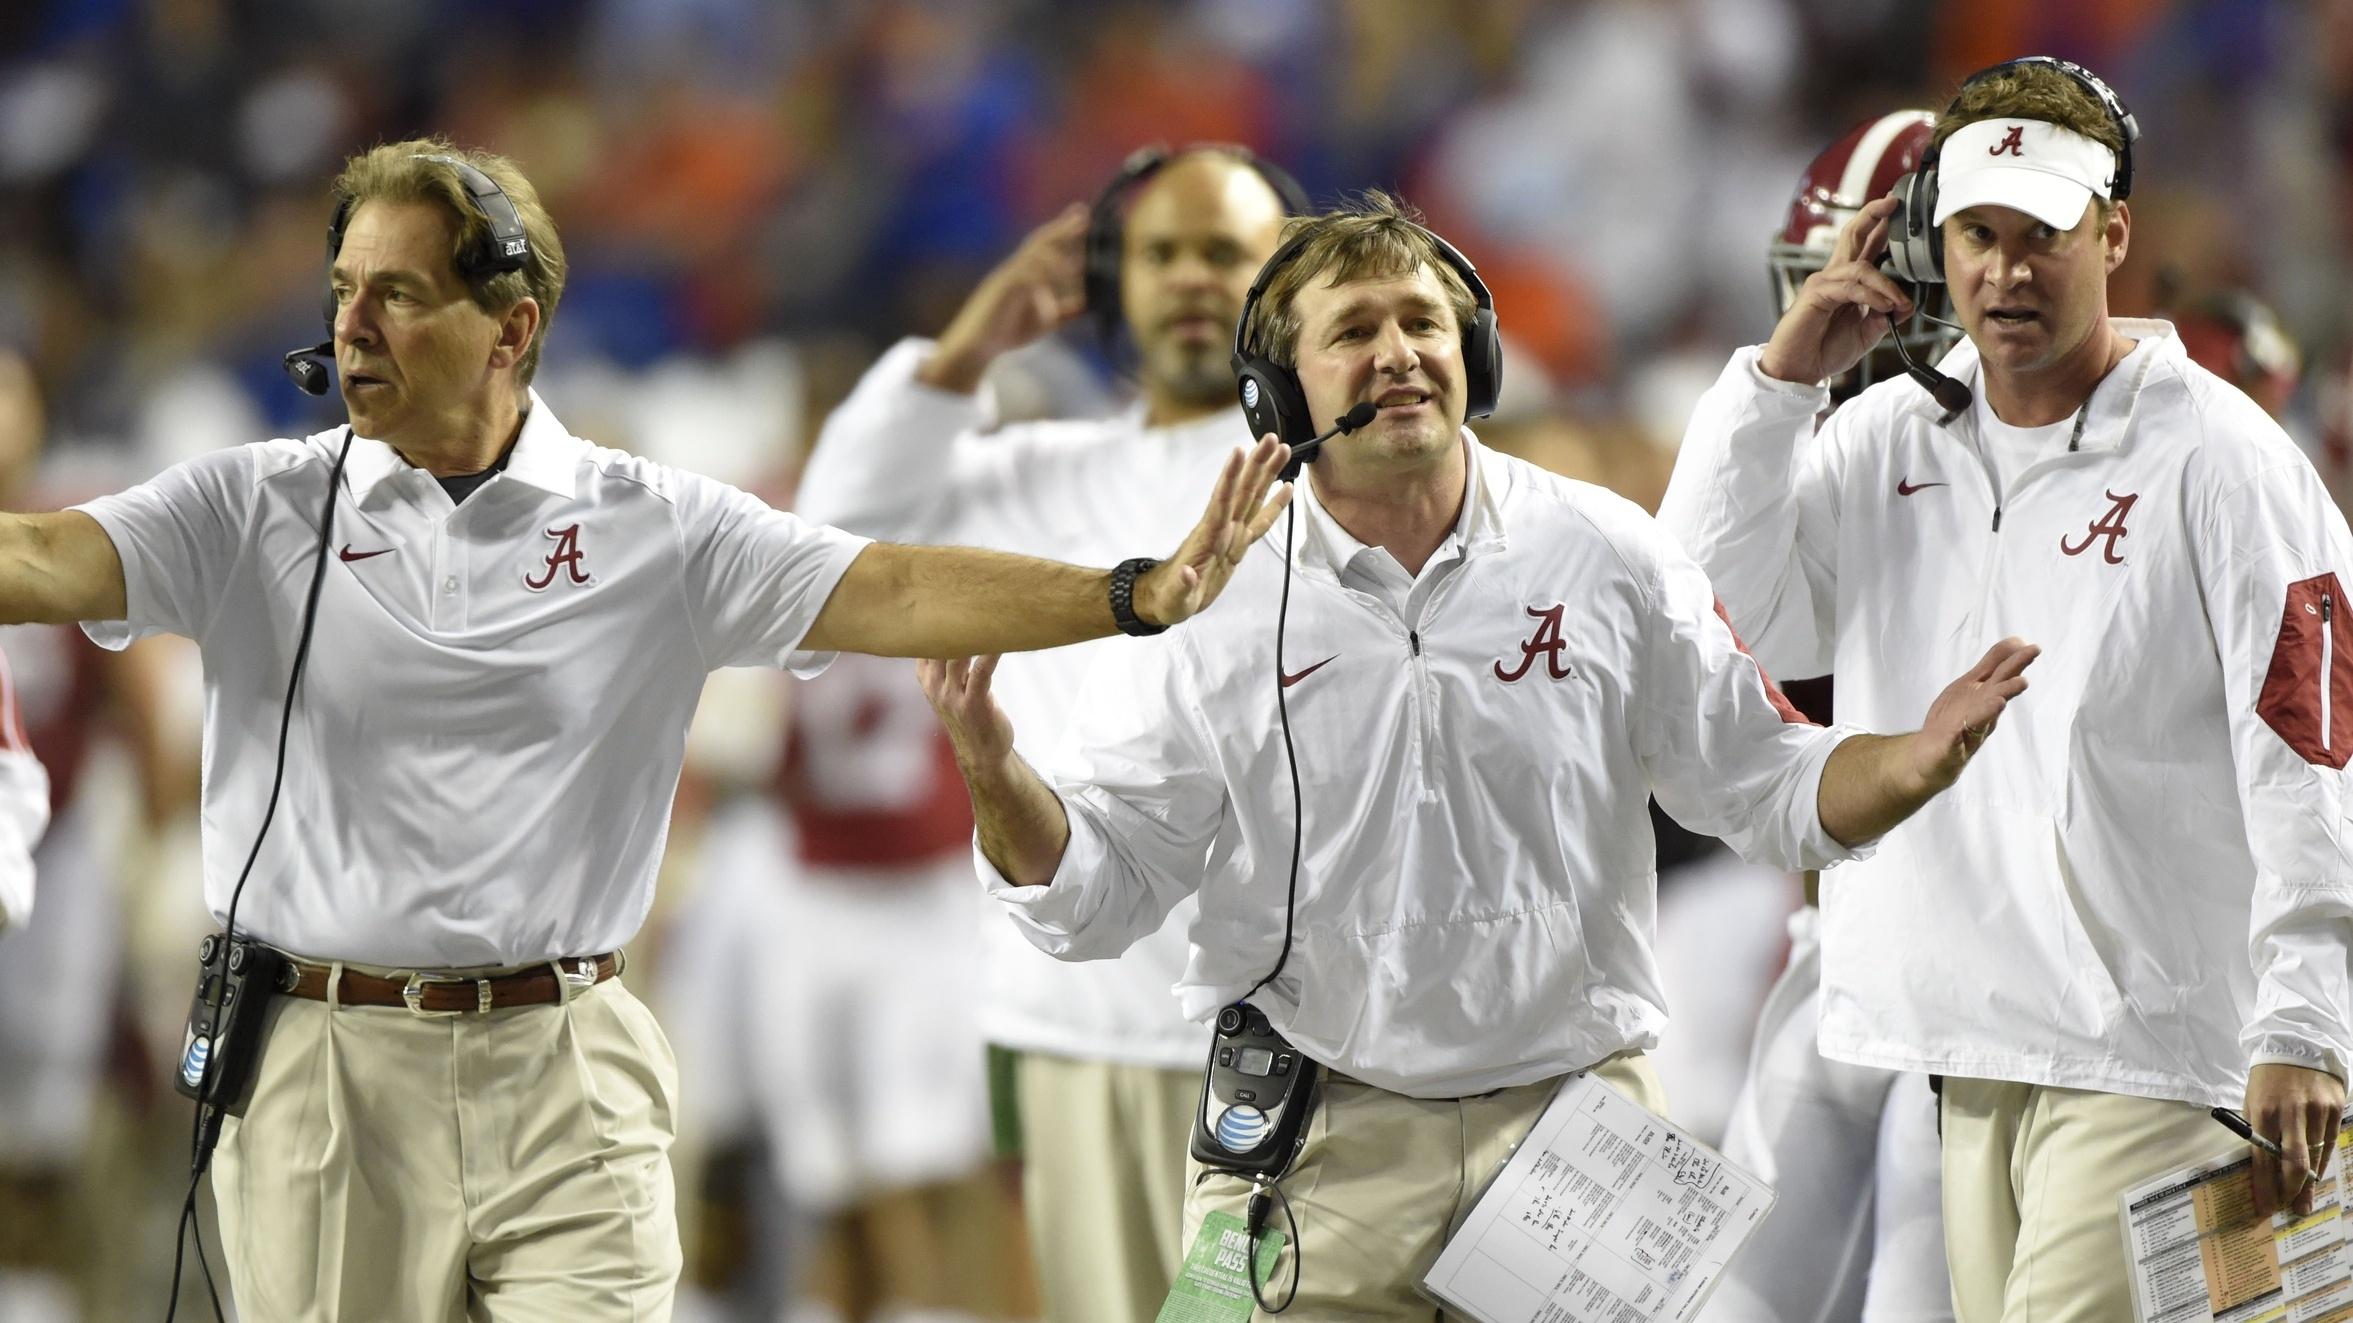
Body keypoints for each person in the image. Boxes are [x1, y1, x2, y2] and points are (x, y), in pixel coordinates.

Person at [0, 138, 1290, 1321]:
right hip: (326, 1061)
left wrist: (1134, 593)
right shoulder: (251, 503)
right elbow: (47, 561)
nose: (349, 324)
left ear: (511, 327)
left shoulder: (655, 524)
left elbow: (889, 586)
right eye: (342, 288)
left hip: (571, 1058)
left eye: (397, 292)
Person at [919, 193, 2037, 1319]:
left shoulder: (1605, 551)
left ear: (1476, 356)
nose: (1398, 353)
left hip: (1582, 1127)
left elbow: (1761, 783)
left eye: (1424, 324)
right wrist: (992, 765)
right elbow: (1093, 898)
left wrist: (1907, 759)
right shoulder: (1208, 600)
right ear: (1275, 393)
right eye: (1353, 331)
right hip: (1318, 1144)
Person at [1660, 58, 2353, 1323]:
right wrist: (1775, 386)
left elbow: (2311, 741)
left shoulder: (2221, 455)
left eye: (2043, 234)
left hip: (2155, 1057)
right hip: (1959, 1047)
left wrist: (2306, 1018)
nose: (2007, 270)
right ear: (1935, 241)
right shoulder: (1876, 445)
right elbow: (1704, 612)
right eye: (1978, 233)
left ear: (2113, 235)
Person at [796, 143, 1301, 1322]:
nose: (1189, 279)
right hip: (1080, 1017)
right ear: (1114, 282)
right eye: (1161, 252)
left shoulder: (1330, 478)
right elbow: (818, 567)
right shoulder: (1022, 470)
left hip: (1295, 1025)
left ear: (1285, 277)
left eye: (1224, 251)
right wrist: (961, 358)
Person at [1708, 111, 1957, 1323]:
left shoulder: (2082, 461)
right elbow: (1704, 619)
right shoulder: (1822, 457)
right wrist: (1767, 396)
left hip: (1989, 990)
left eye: (1867, 286)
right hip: (1838, 950)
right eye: (1816, 284)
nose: (1840, 318)